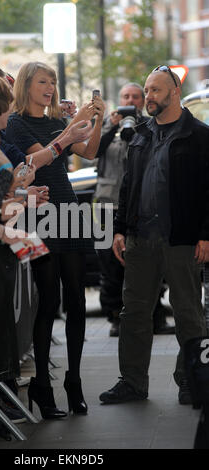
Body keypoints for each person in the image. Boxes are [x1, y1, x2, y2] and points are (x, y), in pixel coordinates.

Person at [99, 66, 209, 406]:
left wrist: (205, 235)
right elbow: (127, 184)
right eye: (146, 90)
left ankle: (192, 381)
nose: (148, 97)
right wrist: (119, 229)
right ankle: (132, 382)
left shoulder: (199, 135)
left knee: (188, 312)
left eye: (155, 90)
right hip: (140, 238)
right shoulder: (142, 133)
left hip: (182, 238)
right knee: (133, 313)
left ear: (174, 92)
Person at [6, 61, 105, 419]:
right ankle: (42, 386)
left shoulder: (56, 122)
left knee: (77, 298)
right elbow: (36, 160)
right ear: (27, 85)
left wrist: (95, 123)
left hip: (70, 210)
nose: (49, 87)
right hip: (40, 213)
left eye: (53, 82)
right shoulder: (17, 123)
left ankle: (74, 382)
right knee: (50, 300)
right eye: (43, 81)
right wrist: (69, 132)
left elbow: (90, 153)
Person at [94, 83, 174, 336]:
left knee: (149, 260)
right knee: (110, 264)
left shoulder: (151, 126)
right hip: (108, 204)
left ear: (142, 101)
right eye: (126, 97)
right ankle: (116, 317)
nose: (131, 100)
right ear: (119, 100)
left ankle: (155, 315)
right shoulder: (107, 125)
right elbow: (91, 153)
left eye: (136, 97)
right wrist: (111, 127)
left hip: (141, 204)